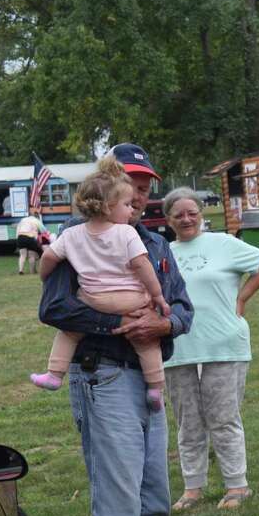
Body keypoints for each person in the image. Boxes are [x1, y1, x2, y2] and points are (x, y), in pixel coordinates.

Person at [38, 142, 194, 516]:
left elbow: (183, 311)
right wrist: (122, 324)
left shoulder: (156, 244)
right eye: (133, 180)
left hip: (146, 380)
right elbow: (55, 306)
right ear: (107, 186)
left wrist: (165, 322)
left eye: (147, 180)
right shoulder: (78, 240)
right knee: (119, 507)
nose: (144, 189)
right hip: (102, 378)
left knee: (153, 500)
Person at [161, 187, 259, 511]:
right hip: (179, 347)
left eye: (192, 212)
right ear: (169, 219)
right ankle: (193, 487)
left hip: (224, 343)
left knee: (223, 417)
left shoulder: (224, 244)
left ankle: (237, 485)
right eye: (178, 214)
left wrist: (241, 298)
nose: (186, 219)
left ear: (201, 213)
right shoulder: (164, 252)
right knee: (188, 422)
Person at [31, 156, 171, 411]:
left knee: (69, 333)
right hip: (131, 300)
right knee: (147, 341)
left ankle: (54, 374)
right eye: (127, 203)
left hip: (93, 298)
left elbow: (49, 256)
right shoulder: (126, 232)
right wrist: (158, 296)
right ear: (108, 206)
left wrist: (44, 276)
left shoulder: (72, 234)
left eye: (142, 192)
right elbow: (142, 265)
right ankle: (155, 387)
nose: (132, 208)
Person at [15, 208, 50, 275]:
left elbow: (18, 229)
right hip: (30, 238)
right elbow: (43, 230)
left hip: (20, 237)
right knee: (32, 255)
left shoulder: (23, 220)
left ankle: (20, 270)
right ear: (36, 216)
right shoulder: (36, 220)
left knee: (22, 255)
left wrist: (18, 239)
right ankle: (32, 271)